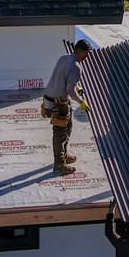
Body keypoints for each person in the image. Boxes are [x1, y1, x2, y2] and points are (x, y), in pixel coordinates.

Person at [43, 40, 90, 174]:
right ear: (82, 52)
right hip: (58, 103)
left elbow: (63, 79)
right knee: (60, 133)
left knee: (68, 126)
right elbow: (70, 90)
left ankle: (64, 154)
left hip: (50, 98)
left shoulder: (64, 57)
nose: (87, 56)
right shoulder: (76, 66)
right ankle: (59, 165)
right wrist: (81, 101)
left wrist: (77, 86)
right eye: (86, 53)